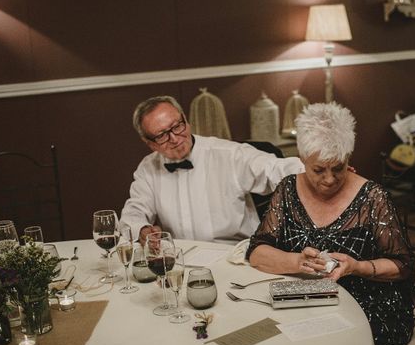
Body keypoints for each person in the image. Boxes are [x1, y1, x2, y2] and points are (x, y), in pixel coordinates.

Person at [246, 102, 415, 345]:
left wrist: (357, 267)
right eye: (318, 170)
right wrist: (296, 262)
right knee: (267, 342)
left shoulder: (373, 197)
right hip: (307, 296)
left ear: (349, 160)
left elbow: (403, 264)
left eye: (338, 168)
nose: (329, 179)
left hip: (370, 301)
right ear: (302, 160)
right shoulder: (287, 190)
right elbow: (257, 250)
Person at [120, 95, 304, 244]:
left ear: (186, 120)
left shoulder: (228, 154)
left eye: (177, 126)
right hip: (181, 262)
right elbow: (134, 211)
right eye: (162, 135)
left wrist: (317, 171)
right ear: (150, 144)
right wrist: (142, 230)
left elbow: (275, 169)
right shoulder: (148, 168)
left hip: (235, 257)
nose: (175, 138)